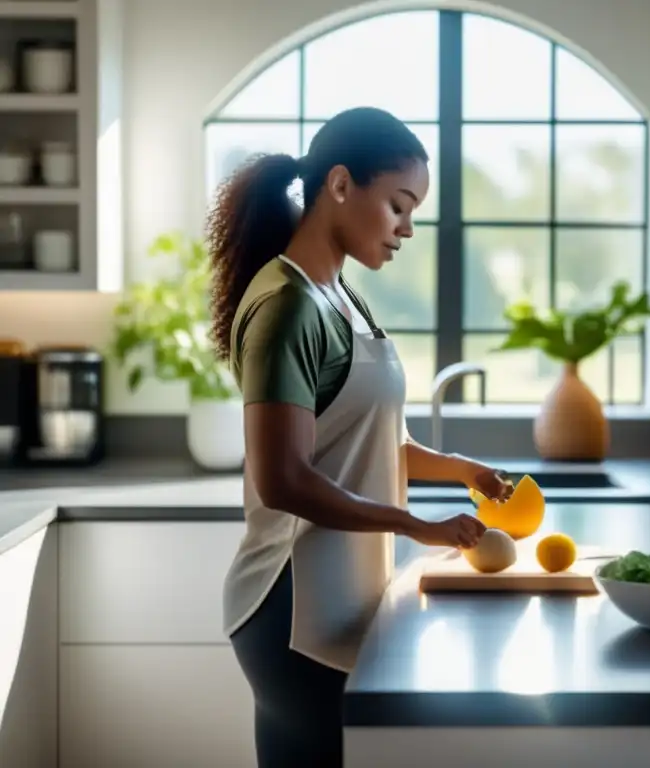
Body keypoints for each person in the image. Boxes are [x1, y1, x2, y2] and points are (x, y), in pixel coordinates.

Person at [205, 106, 512, 767]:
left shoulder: (339, 294)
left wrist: (462, 470)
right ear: (341, 185)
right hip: (293, 604)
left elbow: (364, 437)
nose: (407, 229)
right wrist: (414, 525)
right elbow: (283, 478)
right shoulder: (287, 305)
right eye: (399, 205)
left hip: (341, 594)